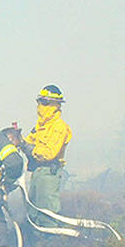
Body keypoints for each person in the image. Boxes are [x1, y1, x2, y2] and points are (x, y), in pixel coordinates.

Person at [24, 85, 72, 216]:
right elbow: (28, 141)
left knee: (47, 213)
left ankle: (51, 236)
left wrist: (29, 148)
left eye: (44, 102)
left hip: (49, 173)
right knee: (33, 211)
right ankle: (36, 236)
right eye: (39, 102)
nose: (40, 106)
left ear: (55, 105)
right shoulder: (40, 126)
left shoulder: (59, 127)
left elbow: (49, 153)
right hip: (37, 172)